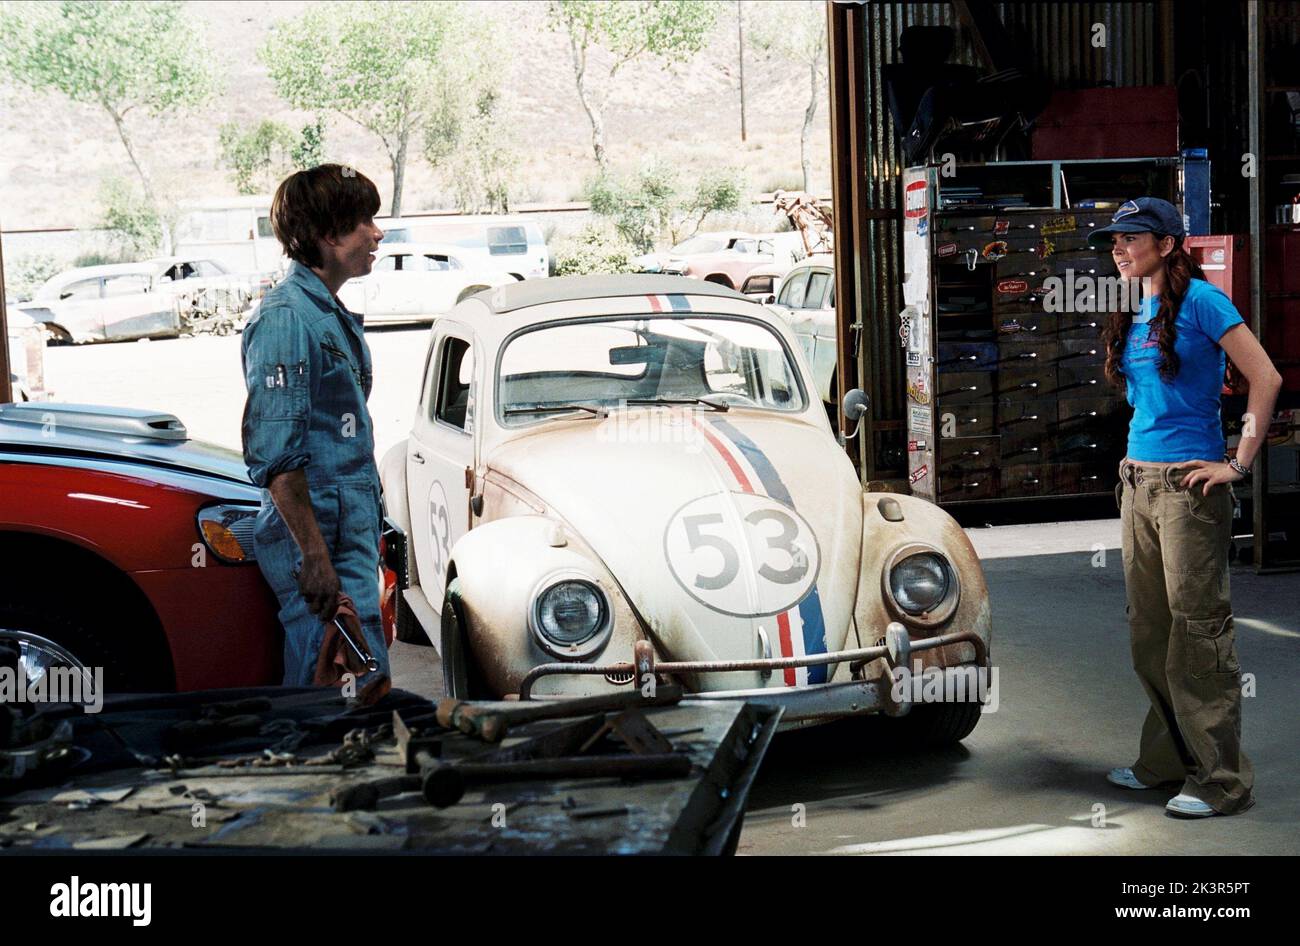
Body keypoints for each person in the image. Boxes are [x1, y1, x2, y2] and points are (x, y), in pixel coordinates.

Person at [1089, 197, 1282, 817]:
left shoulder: (1203, 301)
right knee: (1151, 632)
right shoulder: (1136, 305)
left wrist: (1238, 462)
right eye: (1113, 240)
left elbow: (1266, 377)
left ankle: (1221, 780)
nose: (1118, 249)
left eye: (1131, 238)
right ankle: (1168, 759)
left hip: (1188, 490)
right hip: (1138, 481)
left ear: (1169, 244)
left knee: (1197, 633)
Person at [240, 164, 389, 687]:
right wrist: (314, 558)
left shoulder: (322, 311)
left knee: (357, 679)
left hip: (340, 526)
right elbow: (278, 457)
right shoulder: (287, 319)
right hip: (319, 533)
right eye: (363, 222)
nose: (378, 232)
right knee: (333, 681)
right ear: (327, 236)